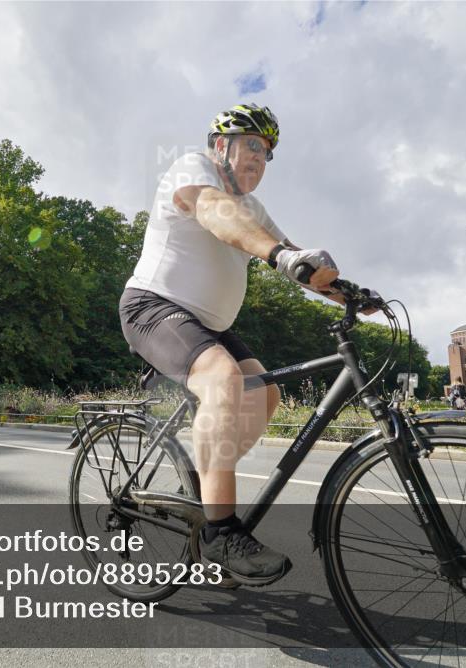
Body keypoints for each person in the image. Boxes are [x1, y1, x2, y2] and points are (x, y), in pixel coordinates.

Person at [118, 103, 355, 585]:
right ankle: (220, 532)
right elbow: (214, 212)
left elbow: (298, 261)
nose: (260, 160)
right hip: (153, 306)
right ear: (221, 145)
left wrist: (348, 291)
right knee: (225, 381)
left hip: (208, 324)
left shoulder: (254, 208)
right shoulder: (194, 168)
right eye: (253, 145)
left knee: (263, 391)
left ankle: (207, 483)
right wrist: (277, 254)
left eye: (267, 154)